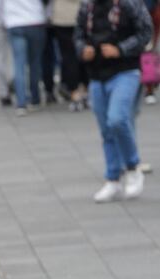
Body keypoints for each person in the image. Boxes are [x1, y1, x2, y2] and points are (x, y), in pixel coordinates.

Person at [74, 0, 153, 202]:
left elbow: (146, 31)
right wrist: (83, 49)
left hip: (126, 71)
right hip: (97, 75)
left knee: (117, 119)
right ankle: (113, 179)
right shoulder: (87, 6)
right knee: (106, 131)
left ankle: (133, 168)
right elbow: (78, 35)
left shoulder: (129, 3)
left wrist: (121, 49)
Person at [0, 0, 48, 114]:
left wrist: (1, 20)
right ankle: (35, 98)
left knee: (19, 64)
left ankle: (21, 102)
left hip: (15, 22)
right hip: (35, 20)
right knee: (35, 62)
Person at [51, 0, 91, 111]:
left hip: (63, 18)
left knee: (69, 57)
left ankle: (74, 94)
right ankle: (85, 92)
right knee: (84, 54)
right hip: (84, 14)